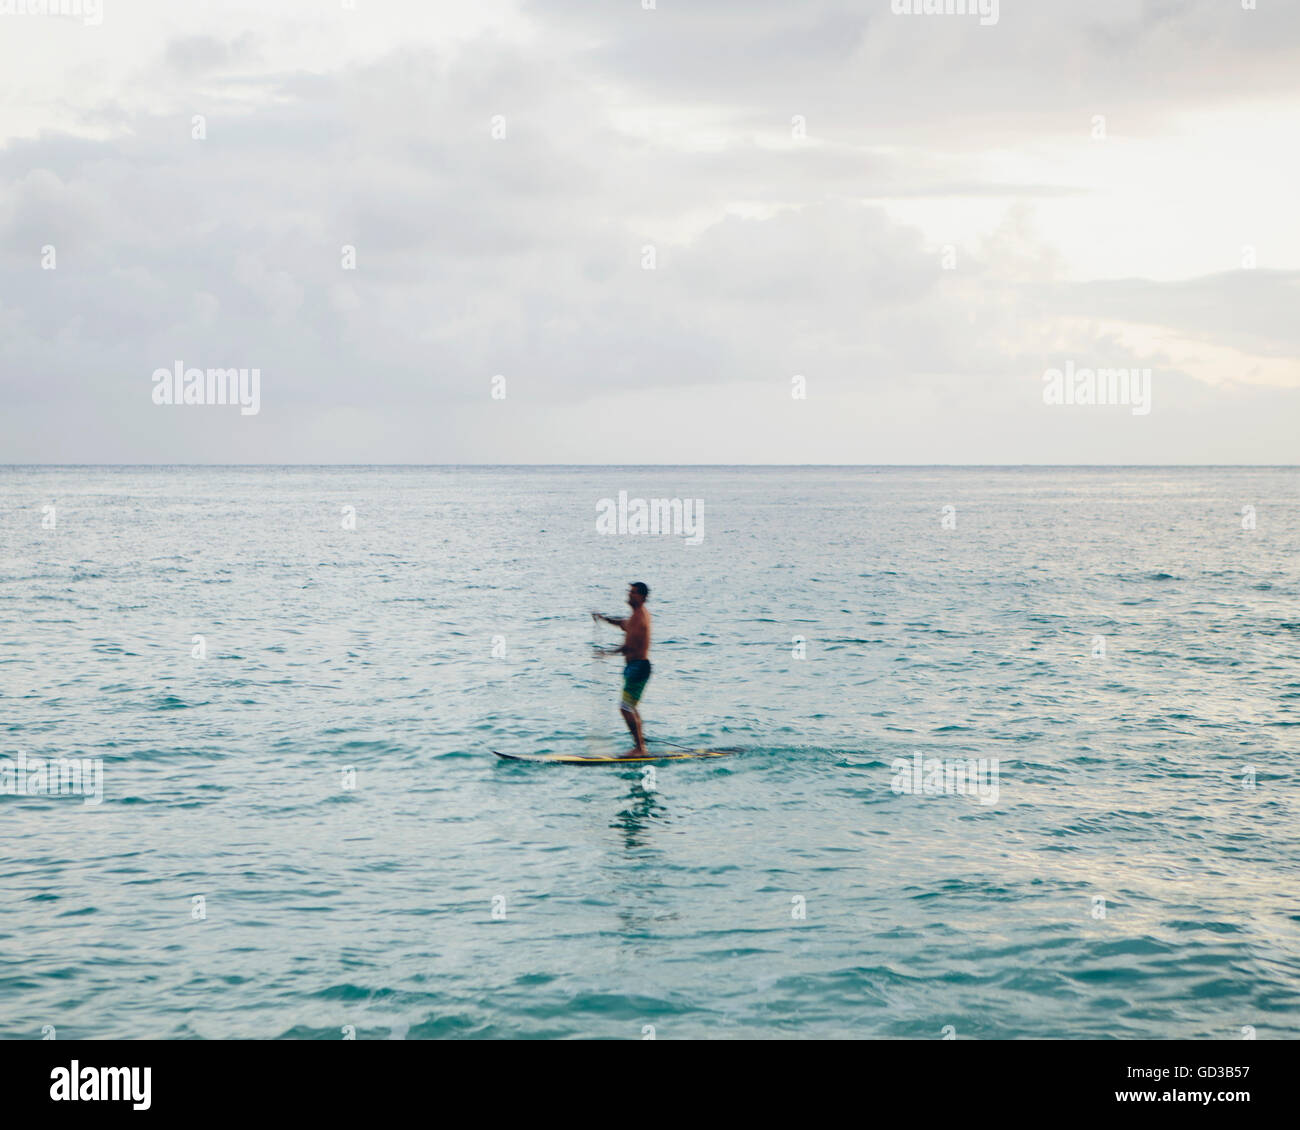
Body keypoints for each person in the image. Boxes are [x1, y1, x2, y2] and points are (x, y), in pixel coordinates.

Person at [592, 582, 652, 757]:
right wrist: (603, 619)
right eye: (629, 591)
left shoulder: (639, 618)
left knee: (625, 708)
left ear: (642, 597)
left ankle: (640, 748)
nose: (629, 594)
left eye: (633, 593)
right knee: (630, 707)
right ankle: (641, 744)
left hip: (638, 668)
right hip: (636, 668)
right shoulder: (636, 616)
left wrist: (605, 653)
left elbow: (628, 647)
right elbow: (622, 624)